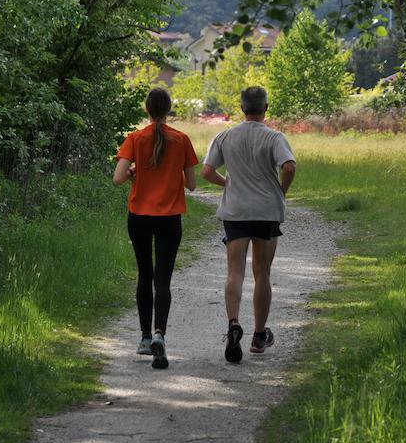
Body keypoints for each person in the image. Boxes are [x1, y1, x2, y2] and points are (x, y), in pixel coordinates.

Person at [201, 86, 296, 363]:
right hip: (266, 210)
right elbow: (289, 166)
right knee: (262, 273)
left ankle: (233, 323)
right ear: (266, 108)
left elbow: (206, 170)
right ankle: (258, 335)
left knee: (235, 272)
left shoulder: (225, 136)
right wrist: (281, 191)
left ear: (242, 108)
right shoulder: (274, 137)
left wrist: (227, 182)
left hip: (236, 211)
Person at [113, 88, 198, 369]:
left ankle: (145, 338)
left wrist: (135, 173)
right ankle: (160, 332)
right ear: (169, 109)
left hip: (139, 216)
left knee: (144, 274)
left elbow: (117, 178)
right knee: (162, 279)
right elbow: (192, 184)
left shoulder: (135, 139)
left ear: (147, 110)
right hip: (169, 217)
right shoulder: (181, 139)